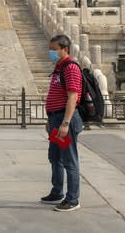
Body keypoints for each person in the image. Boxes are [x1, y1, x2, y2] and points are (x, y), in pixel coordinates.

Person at [41, 34, 83, 212]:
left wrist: (65, 123)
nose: (51, 52)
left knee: (69, 160)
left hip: (65, 120)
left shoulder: (70, 67)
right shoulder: (59, 67)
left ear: (64, 49)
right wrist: (50, 119)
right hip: (55, 119)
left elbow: (73, 97)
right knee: (55, 157)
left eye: (54, 49)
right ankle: (57, 191)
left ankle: (72, 199)